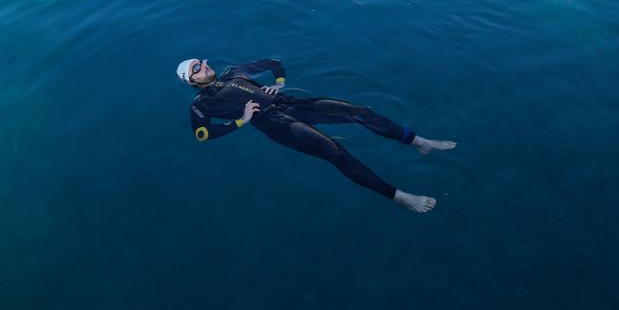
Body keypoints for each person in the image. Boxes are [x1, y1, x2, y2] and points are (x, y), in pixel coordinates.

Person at [177, 58, 456, 213]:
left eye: (201, 61)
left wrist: (279, 83)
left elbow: (274, 63)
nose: (203, 65)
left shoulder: (233, 72)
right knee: (335, 151)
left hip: (290, 103)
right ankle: (399, 197)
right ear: (191, 81)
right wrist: (242, 120)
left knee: (360, 112)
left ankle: (419, 143)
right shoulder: (202, 105)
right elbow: (202, 134)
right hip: (276, 124)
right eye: (196, 68)